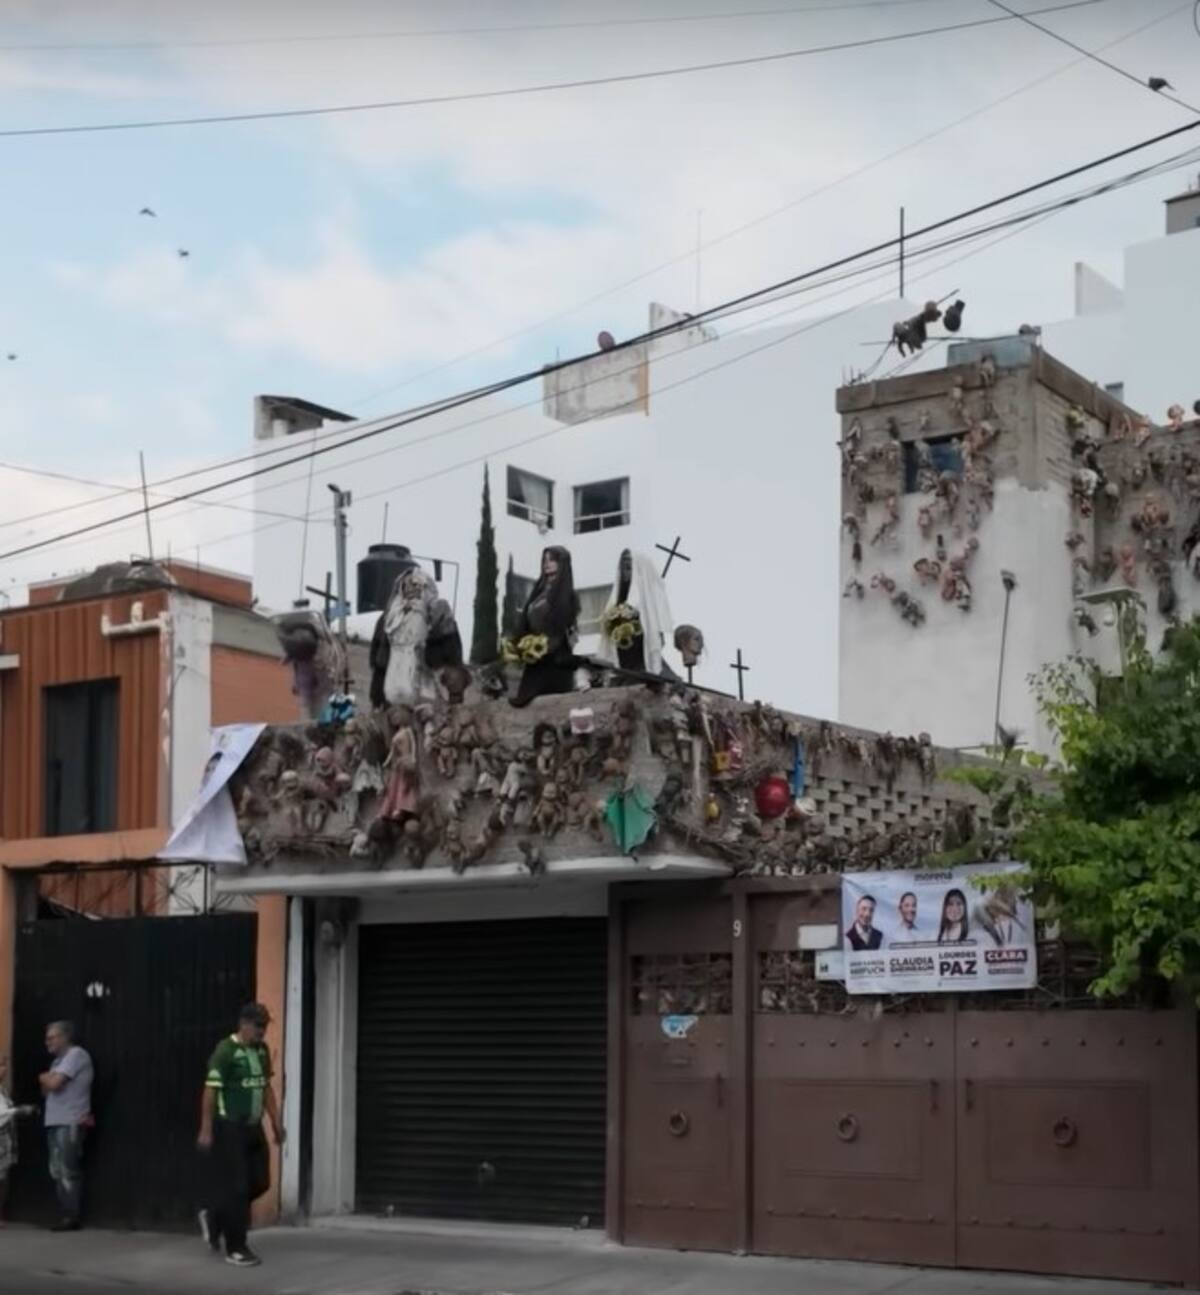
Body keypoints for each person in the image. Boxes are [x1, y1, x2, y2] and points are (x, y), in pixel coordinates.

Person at [197, 1003, 284, 1269]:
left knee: (261, 1182)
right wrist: (206, 1128)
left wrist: (276, 1123)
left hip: (253, 1126)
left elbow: (265, 1087)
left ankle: (215, 1216)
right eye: (258, 1026)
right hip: (230, 1127)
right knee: (238, 1188)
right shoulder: (226, 1051)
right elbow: (210, 1091)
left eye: (265, 1026)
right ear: (244, 1024)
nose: (262, 1031)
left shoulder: (262, 1050)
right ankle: (236, 1247)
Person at [510, 547, 582, 708]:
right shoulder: (538, 591)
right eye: (545, 560)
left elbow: (564, 628)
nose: (547, 563)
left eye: (552, 559)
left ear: (562, 563)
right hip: (535, 656)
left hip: (554, 658)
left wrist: (544, 645)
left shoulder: (569, 595)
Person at [39, 1020, 93, 1232]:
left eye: (51, 1038)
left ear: (65, 1037)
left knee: (68, 1169)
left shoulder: (76, 1055)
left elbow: (52, 1084)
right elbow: (46, 1092)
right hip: (54, 1120)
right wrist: (49, 1080)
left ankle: (71, 1216)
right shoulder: (56, 1063)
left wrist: (44, 1077)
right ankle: (65, 1213)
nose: (47, 1042)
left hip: (70, 1121)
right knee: (56, 1170)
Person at [594, 549, 676, 679]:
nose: (624, 573)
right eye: (622, 568)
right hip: (622, 666)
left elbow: (656, 641)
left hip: (642, 664)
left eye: (628, 568)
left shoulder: (647, 607)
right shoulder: (615, 603)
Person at [0, 1054, 36, 1226]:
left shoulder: (2, 1090)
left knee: (3, 1177)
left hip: (5, 1139)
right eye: (0, 1065)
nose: (4, 1069)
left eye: (4, 1065)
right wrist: (19, 1111)